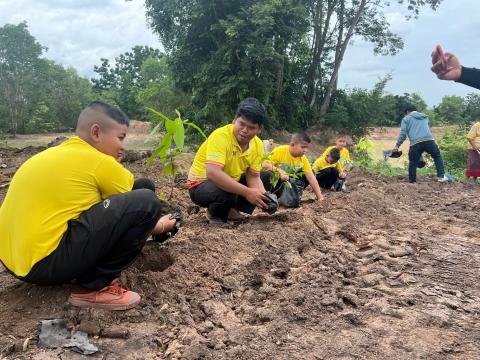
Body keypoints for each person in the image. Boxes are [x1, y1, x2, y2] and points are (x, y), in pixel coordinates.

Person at [0, 101, 178, 311]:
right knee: (147, 200)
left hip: (12, 261)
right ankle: (93, 288)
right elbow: (138, 207)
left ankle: (83, 272)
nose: (122, 147)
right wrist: (159, 226)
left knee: (140, 188)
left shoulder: (50, 156)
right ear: (96, 132)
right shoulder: (100, 161)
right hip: (46, 264)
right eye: (120, 137)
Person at [188, 97, 273, 224]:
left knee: (267, 177)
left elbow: (253, 177)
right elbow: (213, 173)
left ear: (259, 129)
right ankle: (214, 214)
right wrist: (248, 192)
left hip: (229, 181)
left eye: (251, 127)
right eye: (241, 124)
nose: (245, 130)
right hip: (201, 184)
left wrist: (265, 198)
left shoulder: (258, 145)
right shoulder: (221, 136)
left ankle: (231, 210)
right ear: (234, 120)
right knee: (228, 192)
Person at [261, 132, 324, 204]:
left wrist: (320, 197)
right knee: (269, 174)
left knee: (310, 173)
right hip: (278, 184)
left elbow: (311, 178)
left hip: (290, 184)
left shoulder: (303, 159)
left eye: (306, 148)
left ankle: (293, 196)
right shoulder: (280, 150)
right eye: (303, 147)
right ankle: (272, 197)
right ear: (292, 144)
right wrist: (279, 171)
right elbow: (265, 164)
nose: (305, 150)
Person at [393, 104, 448, 183]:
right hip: (429, 140)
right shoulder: (425, 117)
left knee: (413, 162)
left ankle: (412, 181)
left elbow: (403, 134)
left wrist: (397, 145)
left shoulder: (406, 119)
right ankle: (441, 177)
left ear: (407, 112)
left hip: (415, 143)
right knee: (437, 156)